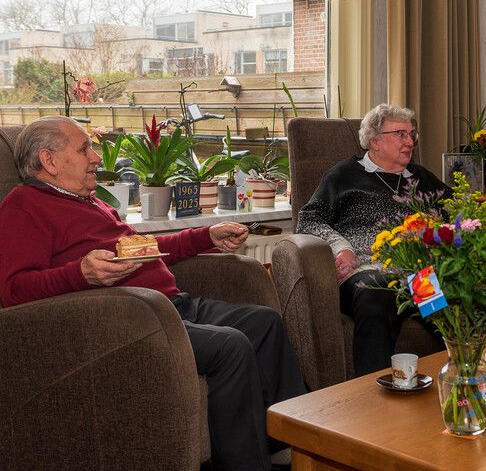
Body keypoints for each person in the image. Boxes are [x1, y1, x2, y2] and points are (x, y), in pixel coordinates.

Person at [0, 116, 305, 471]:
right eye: (84, 148)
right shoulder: (24, 205)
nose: (97, 157)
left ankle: (288, 444)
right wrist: (80, 273)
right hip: (130, 325)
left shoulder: (91, 201)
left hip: (173, 306)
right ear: (49, 161)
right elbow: (12, 291)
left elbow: (144, 247)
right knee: (230, 345)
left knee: (265, 321)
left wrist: (206, 236)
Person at [296, 103, 451, 376]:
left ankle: (463, 376)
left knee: (448, 305)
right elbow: (308, 219)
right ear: (375, 141)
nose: (409, 141)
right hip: (366, 270)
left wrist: (436, 233)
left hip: (417, 273)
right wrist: (340, 247)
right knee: (378, 290)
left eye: (411, 134)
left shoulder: (420, 179)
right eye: (400, 134)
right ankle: (372, 393)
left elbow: (458, 213)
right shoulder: (344, 175)